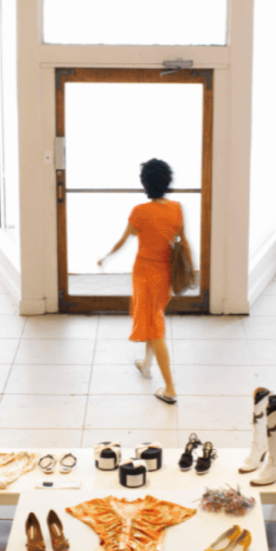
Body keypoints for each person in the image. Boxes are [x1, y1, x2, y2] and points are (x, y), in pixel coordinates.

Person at [98, 158, 189, 404]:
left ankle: (169, 388)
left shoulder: (140, 212)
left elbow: (122, 240)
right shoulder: (176, 209)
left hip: (146, 275)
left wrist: (105, 257)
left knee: (154, 327)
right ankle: (146, 365)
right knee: (153, 318)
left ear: (145, 184)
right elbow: (182, 242)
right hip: (167, 276)